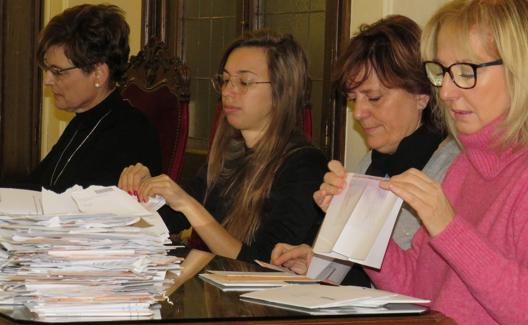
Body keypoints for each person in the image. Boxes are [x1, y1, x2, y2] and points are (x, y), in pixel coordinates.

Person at [272, 0, 528, 323]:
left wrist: (448, 227)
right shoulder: (465, 167)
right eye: (443, 73)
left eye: (465, 72)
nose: (446, 92)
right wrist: (355, 220)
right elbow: (415, 287)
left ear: (520, 70)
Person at [276, 15, 459, 287]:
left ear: (422, 94)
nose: (359, 113)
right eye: (353, 100)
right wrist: (316, 263)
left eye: (374, 98)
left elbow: (424, 282)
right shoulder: (373, 163)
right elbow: (361, 266)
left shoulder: (451, 168)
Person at [118, 30, 327, 263]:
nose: (228, 91)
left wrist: (187, 204)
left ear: (282, 91)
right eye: (225, 80)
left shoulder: (305, 166)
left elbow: (262, 263)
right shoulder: (230, 154)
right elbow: (168, 220)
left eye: (244, 82)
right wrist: (144, 195)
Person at [29, 4, 161, 193]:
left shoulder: (133, 133)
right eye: (47, 69)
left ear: (98, 74)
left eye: (57, 72)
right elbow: (35, 185)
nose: (47, 80)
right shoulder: (81, 122)